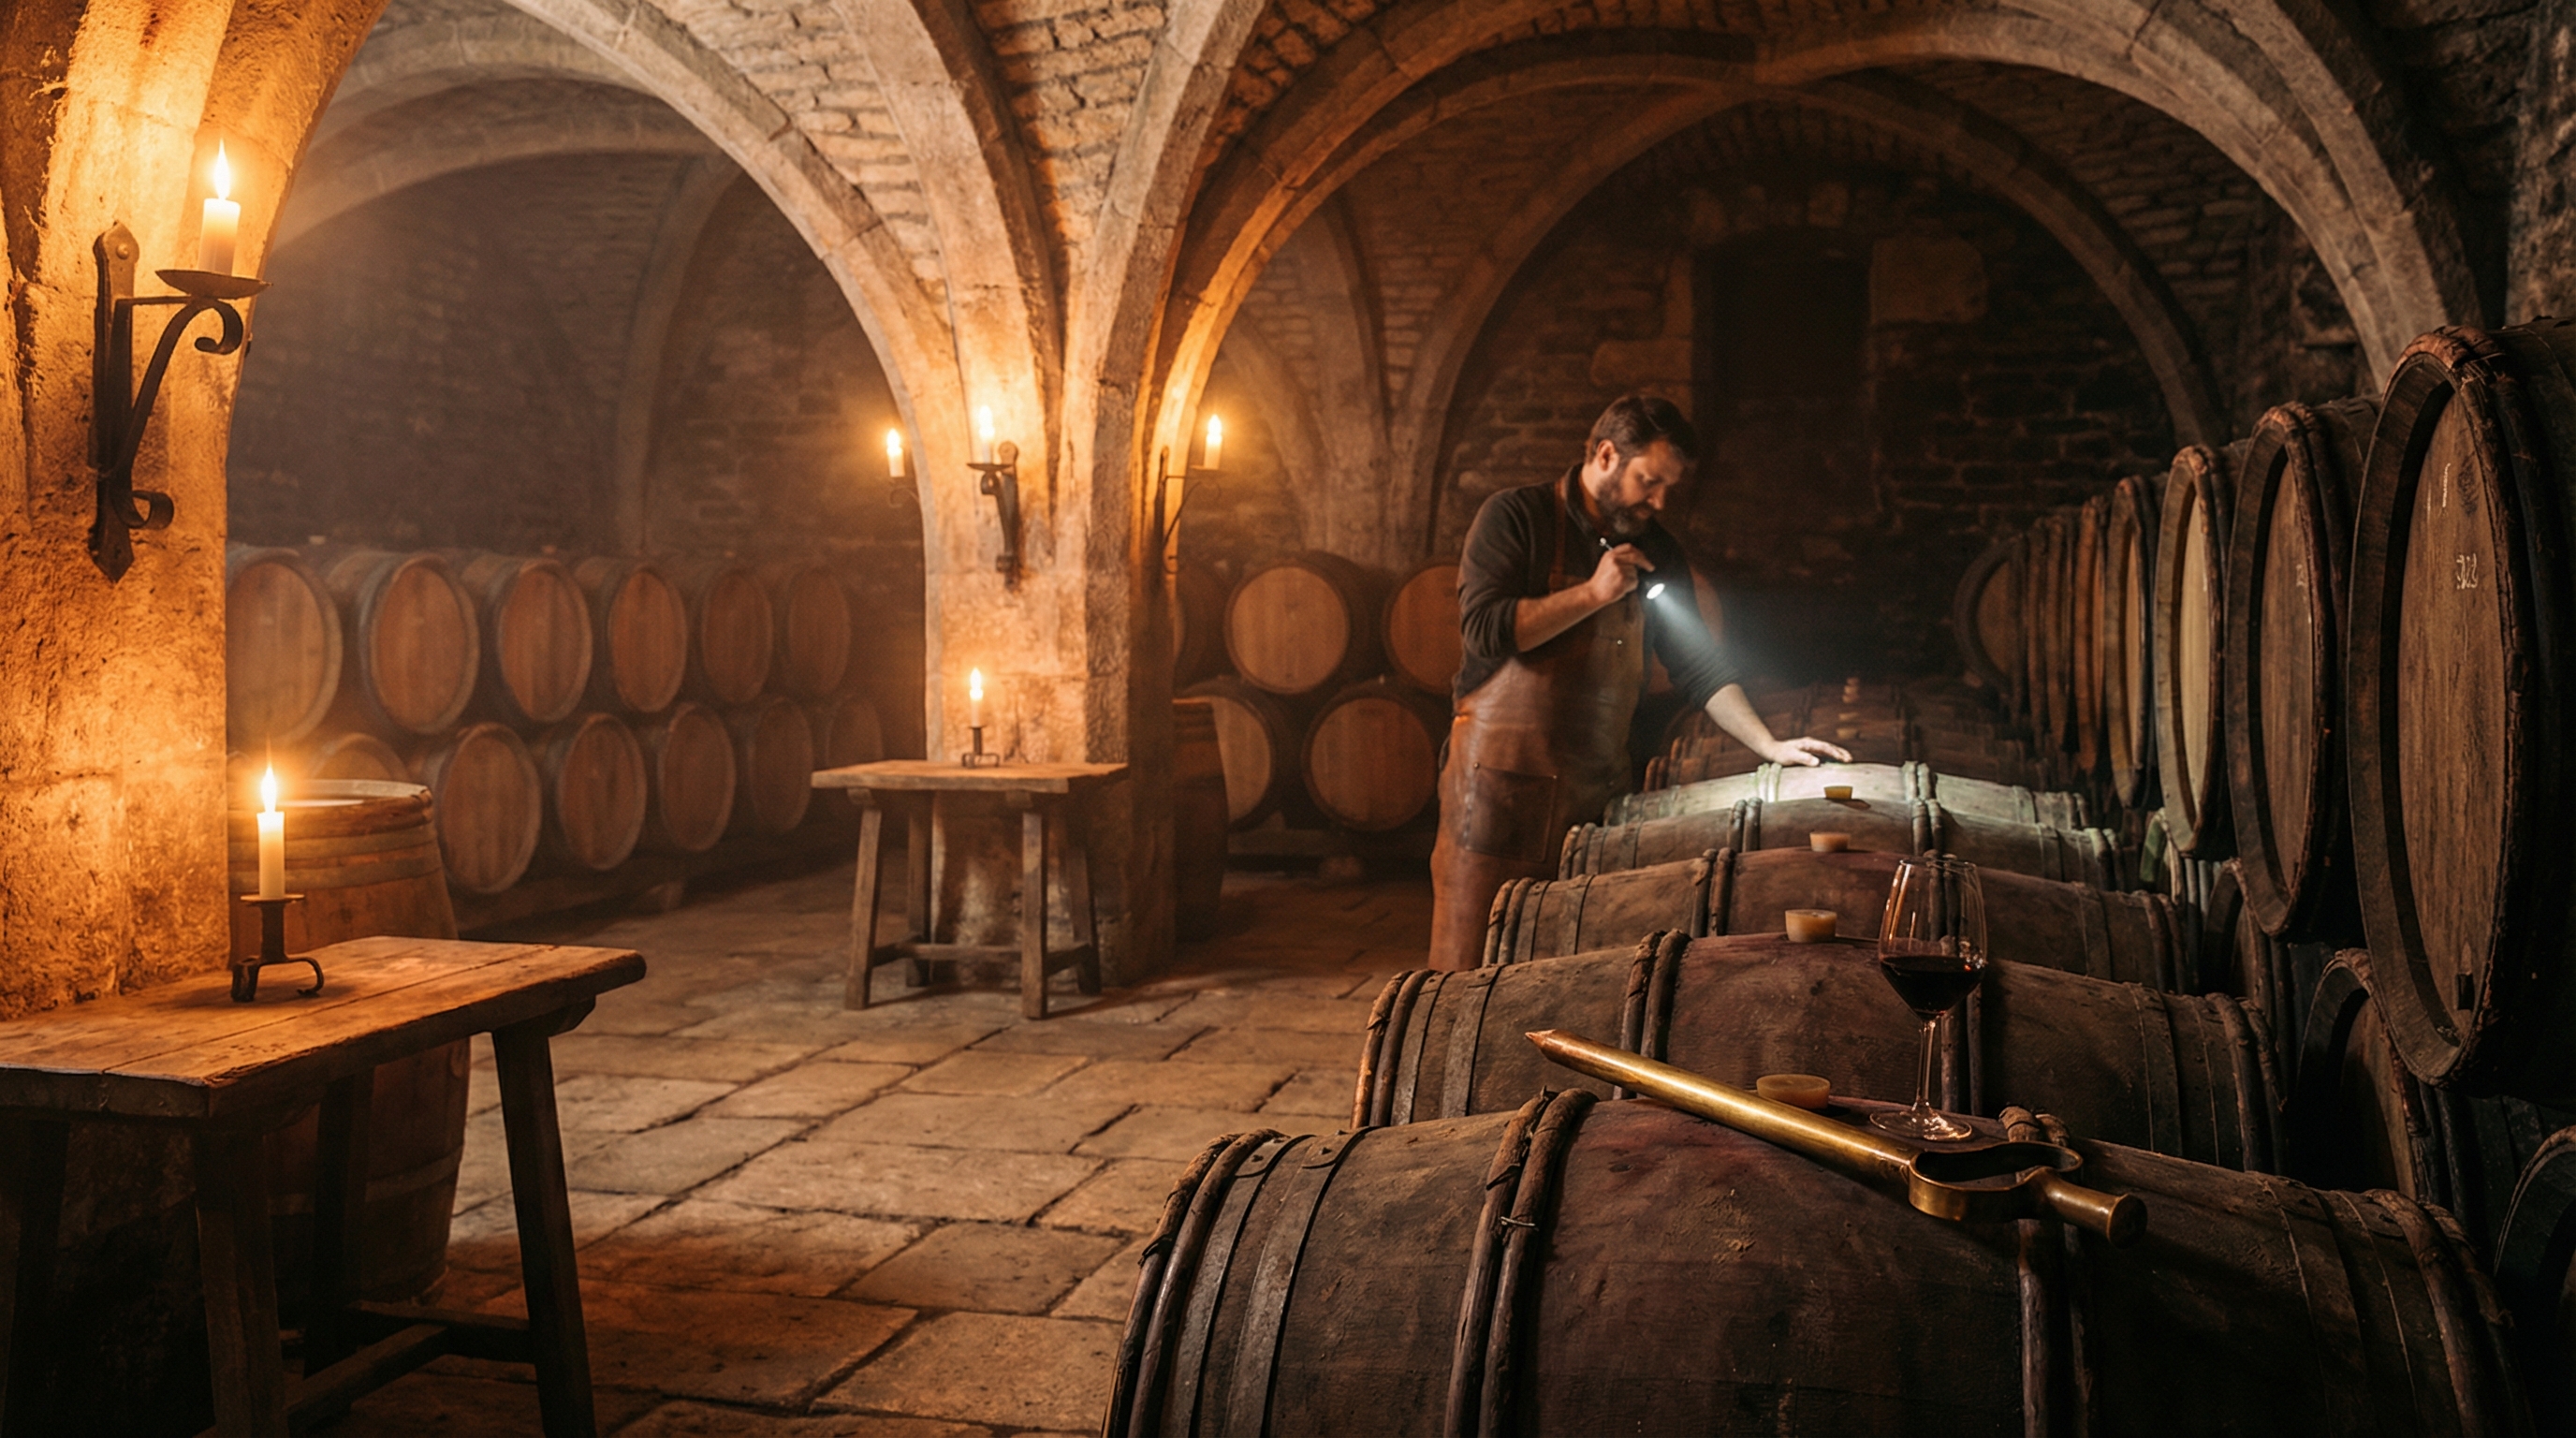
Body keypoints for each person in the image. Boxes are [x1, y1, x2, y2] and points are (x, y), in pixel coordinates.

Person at [1427, 393, 1851, 972]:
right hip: (1500, 796)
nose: (1658, 501)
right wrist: (1593, 595)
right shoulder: (1515, 518)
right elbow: (1485, 631)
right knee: (1469, 967)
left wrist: (1769, 744)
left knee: (1573, 971)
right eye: (1649, 481)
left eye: (1667, 488)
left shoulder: (1657, 550)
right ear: (1605, 455)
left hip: (1593, 796)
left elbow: (1698, 664)